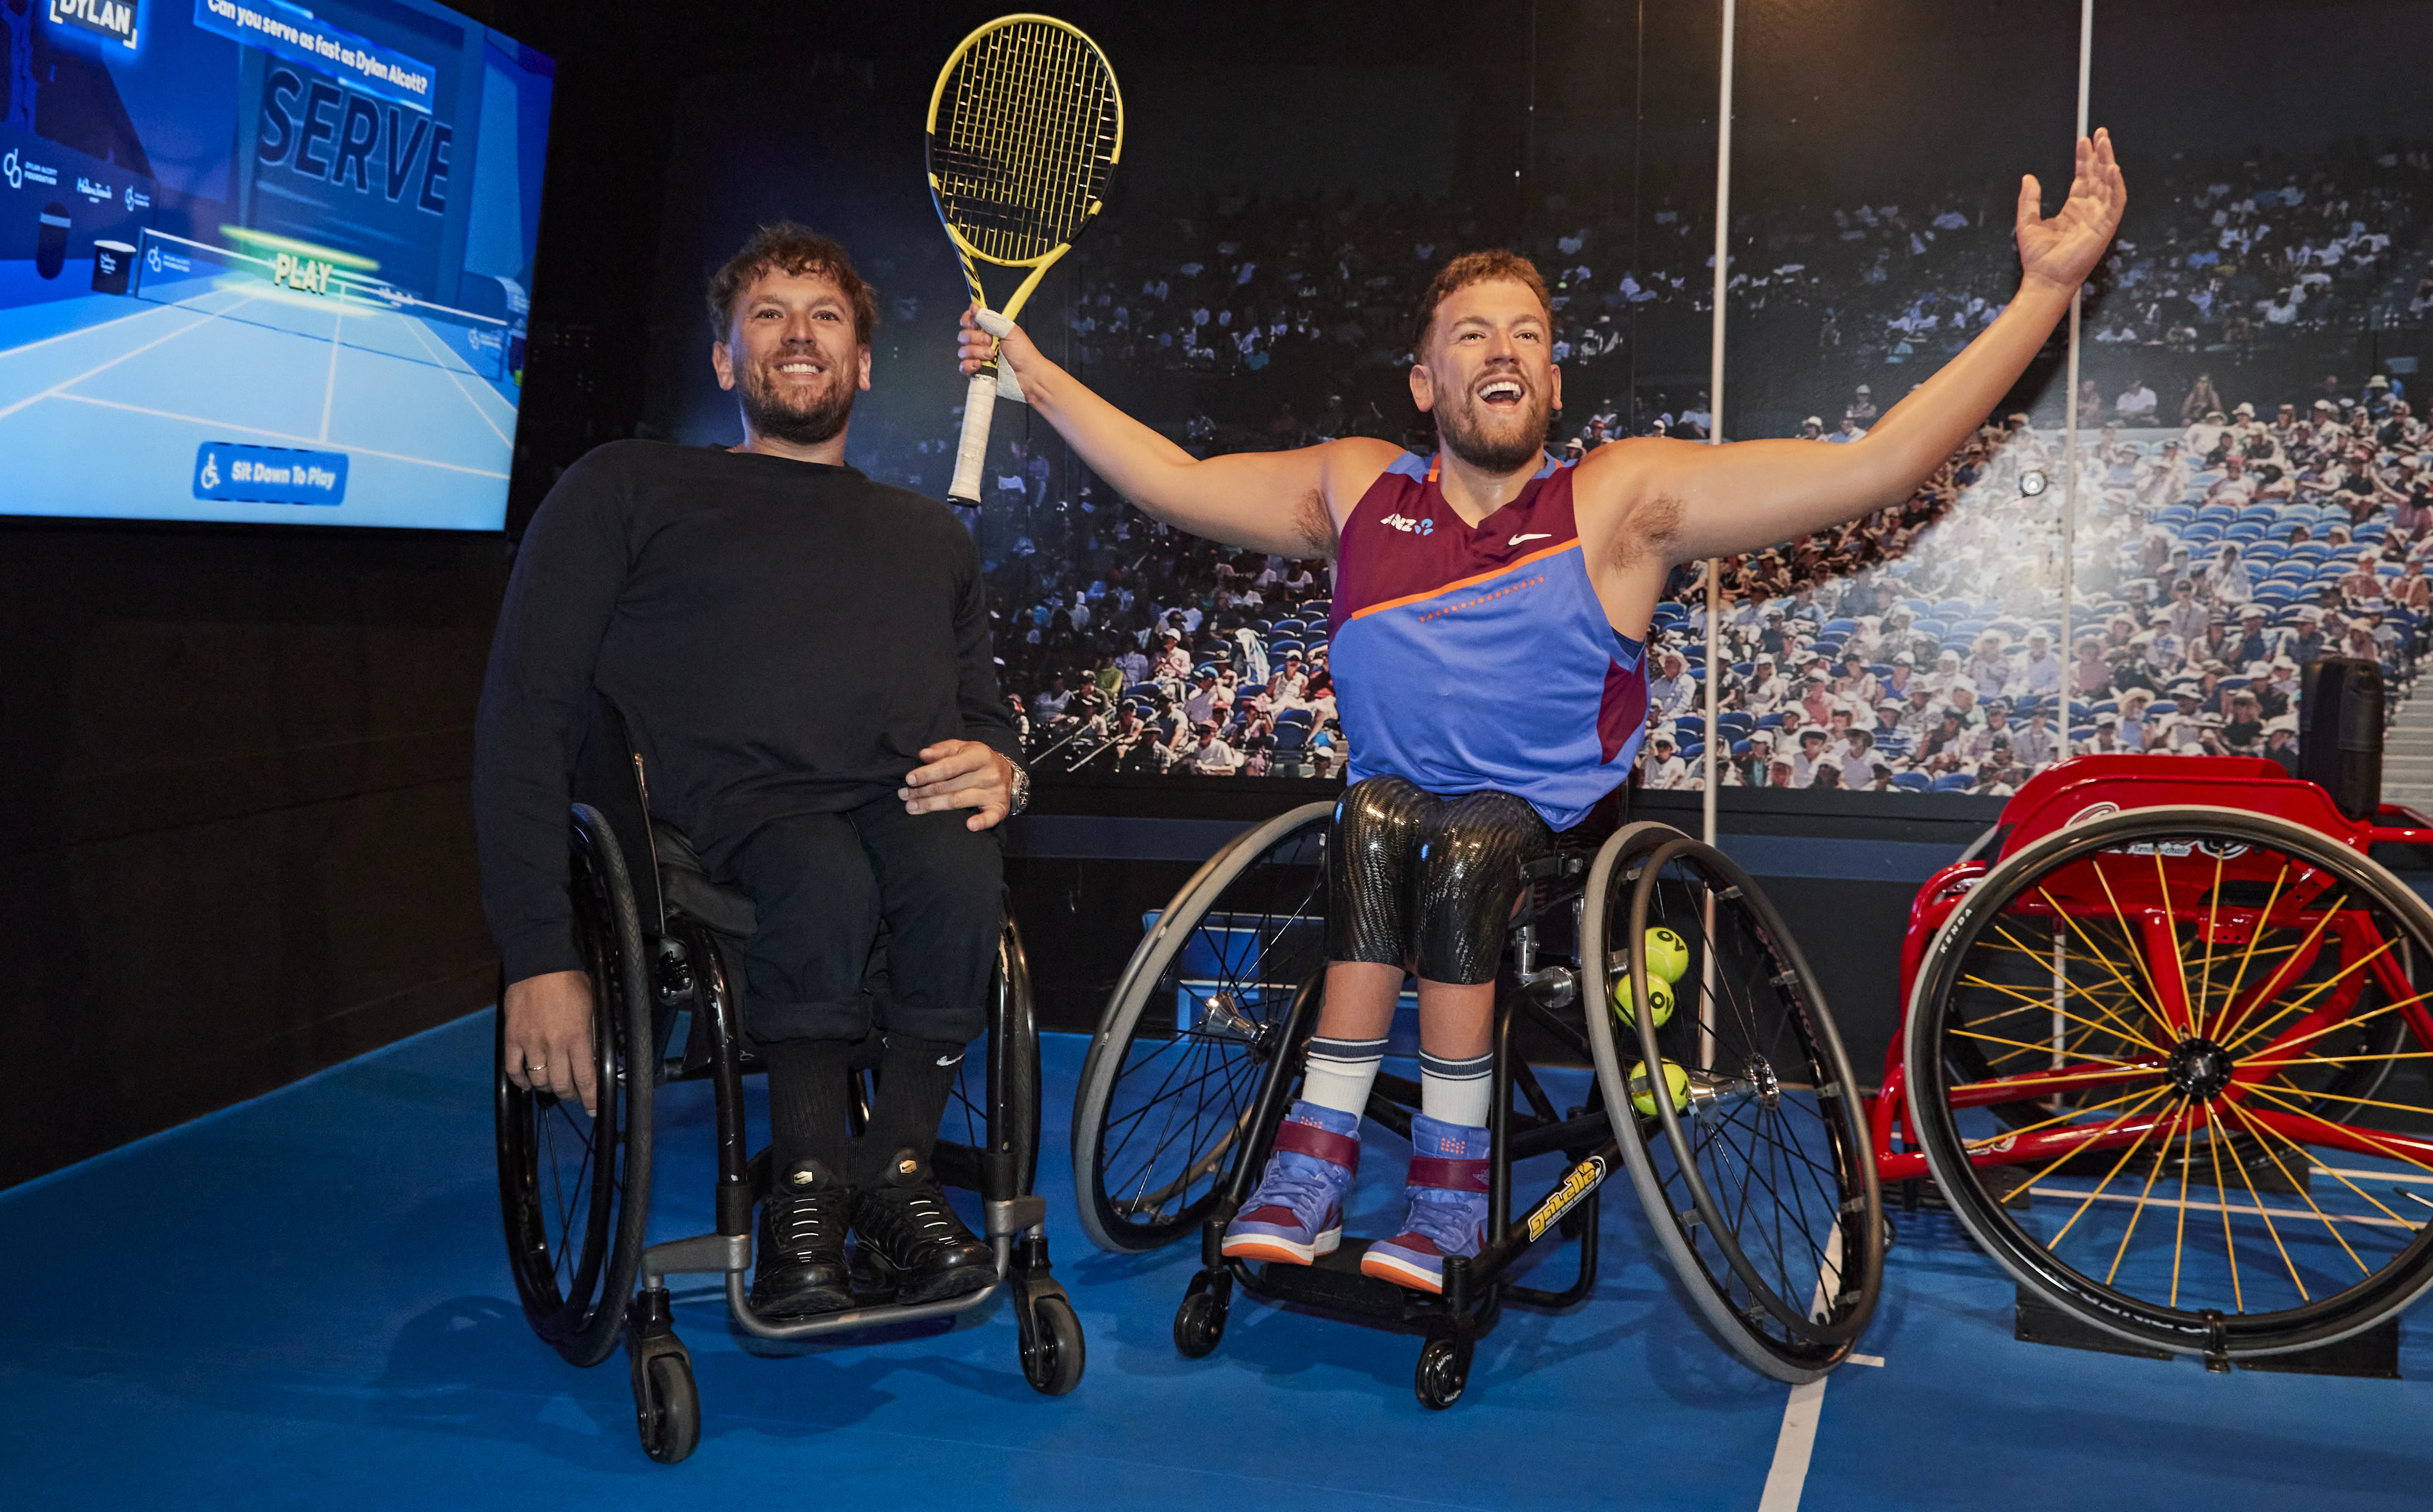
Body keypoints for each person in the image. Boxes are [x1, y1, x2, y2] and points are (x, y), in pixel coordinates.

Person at [955, 132, 2125, 1292]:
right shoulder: (1359, 486)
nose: (1503, 348)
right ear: (1426, 383)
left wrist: (2043, 295)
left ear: (1555, 384)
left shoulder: (1618, 499)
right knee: (1375, 818)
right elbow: (1176, 482)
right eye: (1472, 333)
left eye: (1527, 334)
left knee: (1464, 842)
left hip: (1551, 835)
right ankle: (1312, 1167)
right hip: (1392, 818)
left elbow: (1876, 465)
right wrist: (1032, 374)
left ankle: (1452, 1189)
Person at [477, 224, 1024, 1323]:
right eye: (768, 315)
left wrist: (1003, 768)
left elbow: (983, 720)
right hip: (718, 829)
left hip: (896, 816)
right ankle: (807, 1194)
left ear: (863, 366)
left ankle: (896, 1176)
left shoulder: (930, 539)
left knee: (959, 869)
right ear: (726, 363)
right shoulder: (628, 487)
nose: (799, 334)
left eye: (825, 317)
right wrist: (540, 954)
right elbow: (526, 714)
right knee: (818, 873)